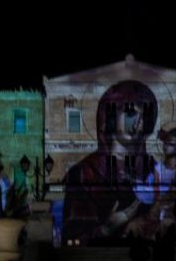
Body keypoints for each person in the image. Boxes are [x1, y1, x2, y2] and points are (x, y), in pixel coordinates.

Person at [62, 80, 159, 244]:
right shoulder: (84, 173)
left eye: (144, 117)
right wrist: (106, 229)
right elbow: (73, 236)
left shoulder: (153, 169)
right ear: (111, 117)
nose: (137, 123)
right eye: (130, 114)